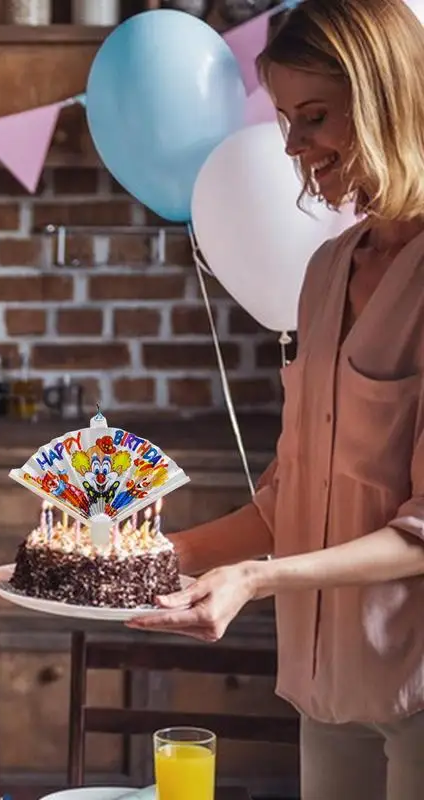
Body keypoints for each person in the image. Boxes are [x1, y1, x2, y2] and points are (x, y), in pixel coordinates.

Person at [126, 1, 424, 798]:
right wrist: (153, 559)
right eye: (286, 119)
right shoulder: (327, 272)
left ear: (388, 97)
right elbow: (292, 497)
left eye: (315, 117)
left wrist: (257, 580)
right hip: (324, 685)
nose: (293, 147)